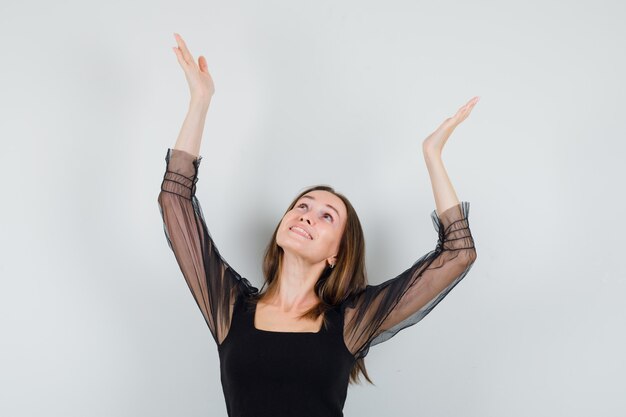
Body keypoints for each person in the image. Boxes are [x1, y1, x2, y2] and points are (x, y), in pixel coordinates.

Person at [157, 32, 478, 417]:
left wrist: (432, 154)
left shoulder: (350, 322)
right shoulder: (230, 308)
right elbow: (175, 200)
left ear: (336, 253)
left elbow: (458, 253)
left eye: (327, 216)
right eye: (302, 206)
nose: (306, 214)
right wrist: (201, 101)